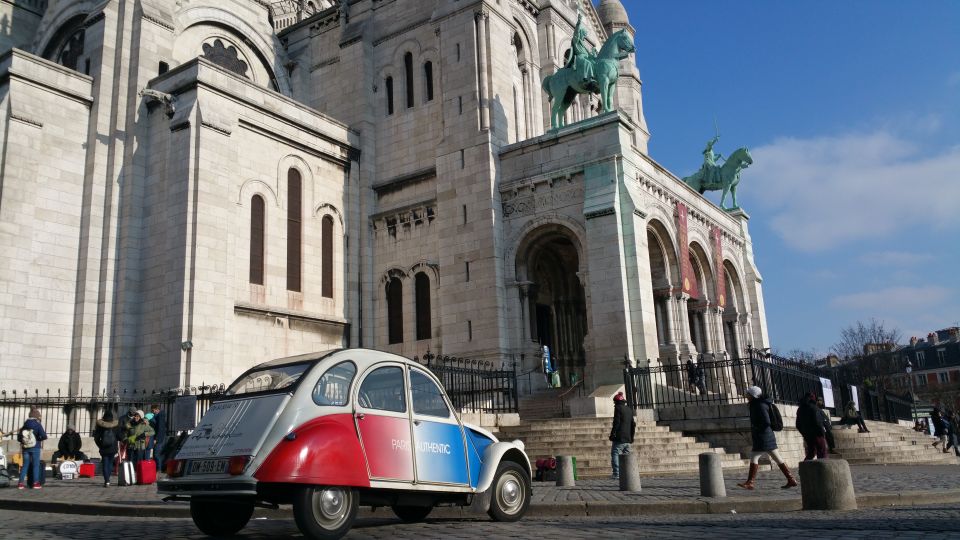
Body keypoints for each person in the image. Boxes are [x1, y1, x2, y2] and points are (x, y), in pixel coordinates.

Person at [737, 386, 797, 490]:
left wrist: (756, 427)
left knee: (754, 457)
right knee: (777, 457)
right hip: (767, 435)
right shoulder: (760, 404)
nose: (746, 396)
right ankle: (791, 479)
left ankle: (750, 482)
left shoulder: (759, 405)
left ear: (753, 395)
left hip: (763, 436)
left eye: (748, 394)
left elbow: (766, 421)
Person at [16, 407, 48, 489]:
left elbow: (19, 438)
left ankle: (20, 483)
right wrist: (38, 439)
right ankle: (36, 483)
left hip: (25, 447)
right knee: (35, 465)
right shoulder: (37, 424)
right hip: (35, 447)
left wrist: (24, 441)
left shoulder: (25, 425)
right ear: (37, 417)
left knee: (25, 465)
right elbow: (44, 436)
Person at [608, 391, 636, 480]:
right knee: (626, 456)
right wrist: (632, 437)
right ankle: (627, 473)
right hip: (628, 437)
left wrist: (612, 434)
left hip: (619, 437)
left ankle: (617, 474)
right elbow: (633, 424)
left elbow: (616, 423)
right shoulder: (629, 409)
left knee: (615, 454)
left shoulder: (618, 408)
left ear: (616, 402)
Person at [564, 13, 596, 88]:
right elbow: (576, 33)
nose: (584, 37)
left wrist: (594, 54)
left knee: (592, 63)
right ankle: (587, 78)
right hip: (579, 58)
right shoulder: (576, 41)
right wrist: (578, 23)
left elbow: (590, 55)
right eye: (583, 35)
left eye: (585, 36)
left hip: (585, 57)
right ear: (581, 34)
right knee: (587, 63)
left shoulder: (583, 44)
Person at [796, 392, 827, 460]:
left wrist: (804, 433)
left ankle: (804, 468)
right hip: (817, 434)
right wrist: (822, 433)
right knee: (822, 451)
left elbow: (798, 424)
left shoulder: (800, 409)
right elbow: (817, 422)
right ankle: (822, 469)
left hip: (807, 434)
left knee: (811, 452)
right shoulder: (814, 408)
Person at [93, 409, 120, 487]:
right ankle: (108, 479)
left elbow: (96, 438)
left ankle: (106, 480)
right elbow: (118, 436)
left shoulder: (100, 425)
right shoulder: (115, 425)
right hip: (113, 447)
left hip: (104, 447)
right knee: (110, 463)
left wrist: (100, 445)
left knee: (105, 463)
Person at [149, 404, 167, 471]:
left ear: (157, 409)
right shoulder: (159, 416)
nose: (152, 412)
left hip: (159, 439)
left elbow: (160, 429)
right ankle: (157, 468)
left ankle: (158, 469)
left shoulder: (160, 416)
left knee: (156, 454)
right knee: (156, 454)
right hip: (159, 438)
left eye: (153, 410)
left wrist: (156, 439)